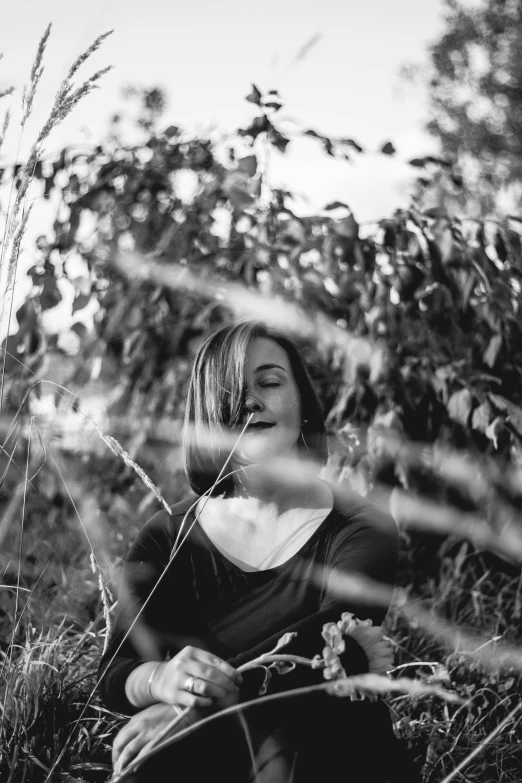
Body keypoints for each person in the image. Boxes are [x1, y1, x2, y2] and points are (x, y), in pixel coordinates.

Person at [98, 319, 420, 782]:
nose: (249, 401)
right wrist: (161, 681)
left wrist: (196, 712)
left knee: (293, 740)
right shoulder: (169, 536)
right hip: (215, 756)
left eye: (269, 382)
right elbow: (117, 668)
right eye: (229, 391)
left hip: (332, 749)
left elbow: (334, 641)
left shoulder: (359, 527)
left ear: (303, 408)